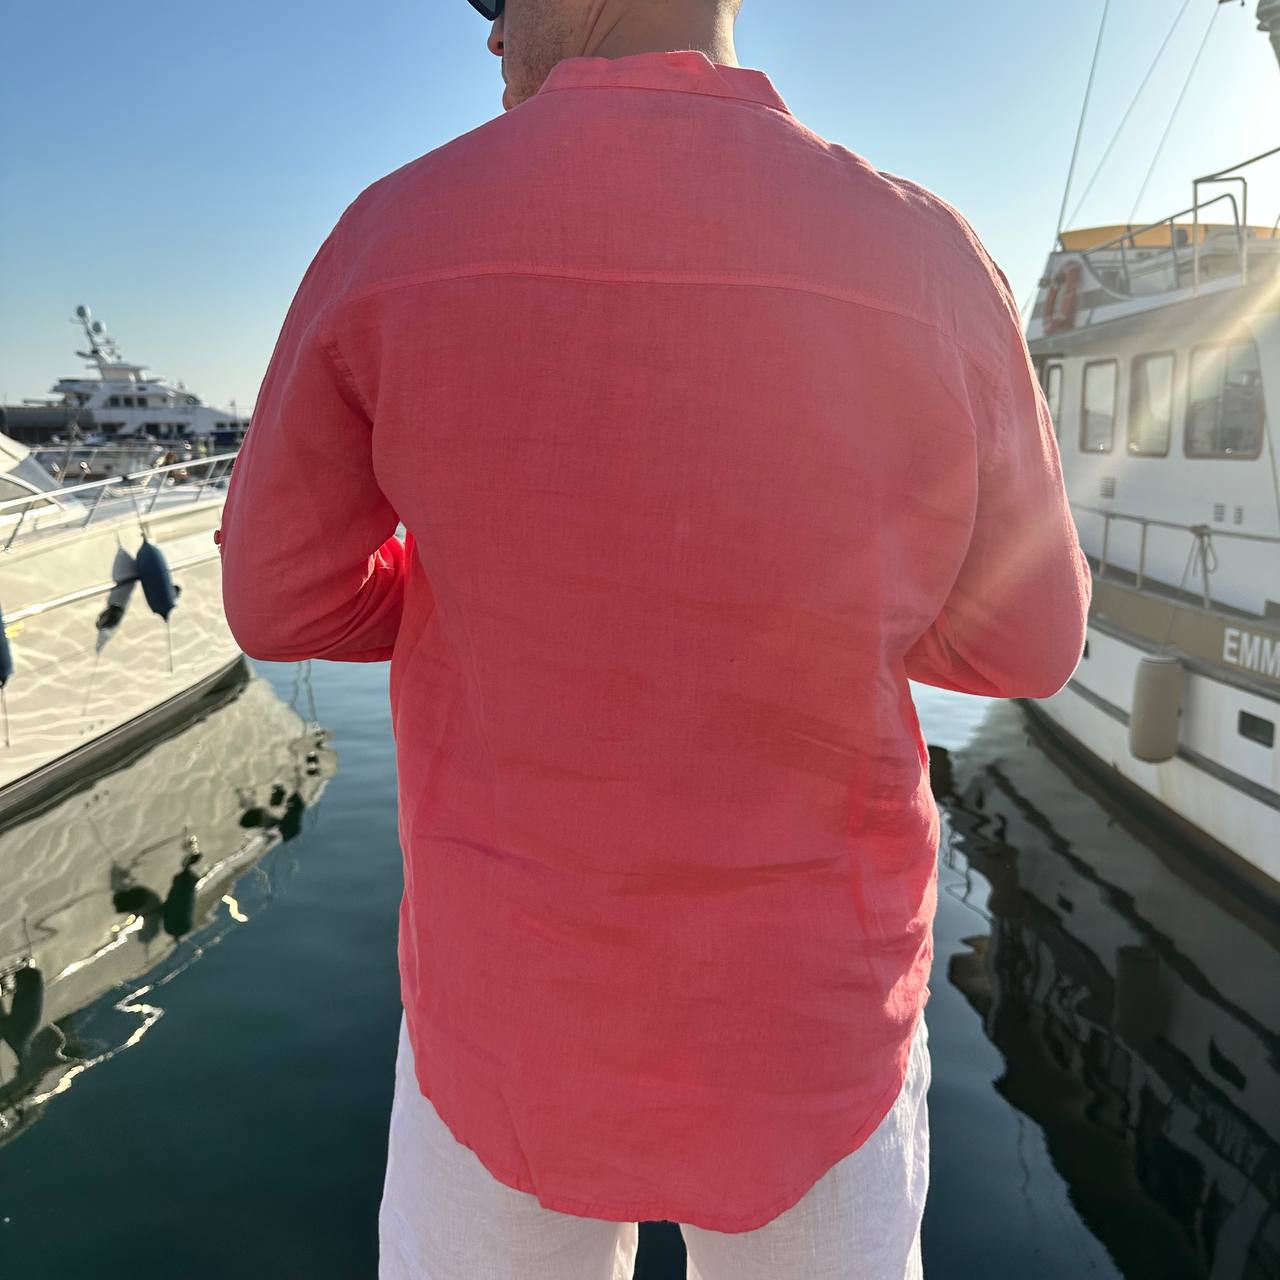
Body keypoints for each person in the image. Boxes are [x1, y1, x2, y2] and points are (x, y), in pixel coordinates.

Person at [215, 0, 1091, 1275]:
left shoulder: (391, 234)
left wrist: (479, 593)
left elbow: (281, 601)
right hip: (811, 1031)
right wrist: (837, 606)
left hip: (504, 1026)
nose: (490, 36)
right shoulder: (929, 258)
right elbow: (1028, 643)